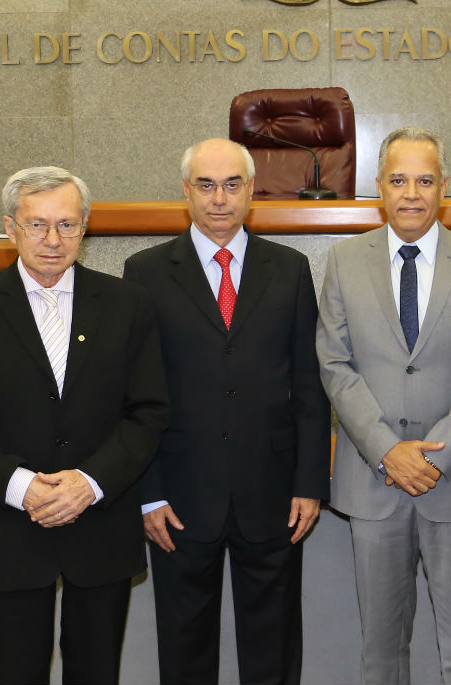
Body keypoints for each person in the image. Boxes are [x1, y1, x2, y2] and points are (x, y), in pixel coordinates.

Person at [0, 166, 169, 685]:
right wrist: (23, 488)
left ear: (85, 228)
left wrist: (90, 482)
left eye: (67, 224)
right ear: (10, 227)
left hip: (100, 525)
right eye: (37, 225)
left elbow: (149, 412)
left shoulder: (127, 304)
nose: (53, 240)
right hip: (13, 530)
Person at [123, 138, 330, 685]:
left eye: (232, 185)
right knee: (185, 647)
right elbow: (135, 394)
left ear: (252, 191)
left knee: (274, 646)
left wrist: (310, 482)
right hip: (180, 494)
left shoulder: (289, 269)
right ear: (186, 191)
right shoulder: (144, 272)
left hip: (273, 490)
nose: (220, 199)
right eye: (207, 185)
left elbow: (309, 387)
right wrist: (149, 491)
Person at [316, 126, 451, 685]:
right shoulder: (344, 261)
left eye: (425, 180)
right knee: (380, 647)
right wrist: (386, 451)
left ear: (444, 187)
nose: (412, 193)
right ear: (379, 187)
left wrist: (436, 456)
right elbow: (334, 363)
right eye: (399, 179)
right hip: (375, 480)